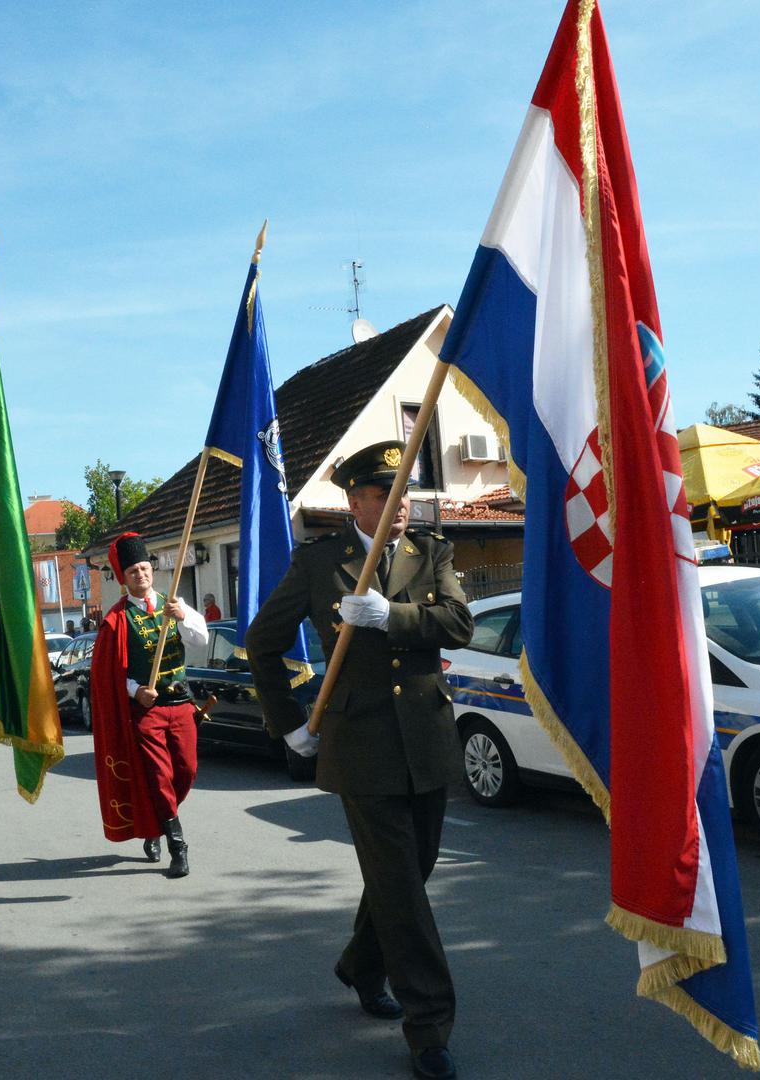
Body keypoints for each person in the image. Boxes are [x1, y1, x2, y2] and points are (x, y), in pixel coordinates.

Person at [245, 440, 473, 1080]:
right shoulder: (320, 562)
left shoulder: (432, 551)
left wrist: (390, 616)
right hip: (362, 746)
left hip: (425, 739)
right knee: (402, 887)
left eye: (402, 493)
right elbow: (263, 643)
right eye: (381, 494)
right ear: (354, 501)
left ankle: (361, 964)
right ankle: (429, 1025)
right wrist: (288, 724)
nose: (397, 505)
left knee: (412, 871)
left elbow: (458, 623)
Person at [90, 532, 209, 878]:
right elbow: (110, 676)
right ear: (123, 578)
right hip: (149, 712)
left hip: (182, 704)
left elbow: (201, 641)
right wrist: (136, 691)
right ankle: (177, 846)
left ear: (151, 570)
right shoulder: (116, 620)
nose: (140, 575)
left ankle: (157, 820)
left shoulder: (175, 603)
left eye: (144, 568)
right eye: (133, 572)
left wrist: (183, 616)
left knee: (185, 771)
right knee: (159, 777)